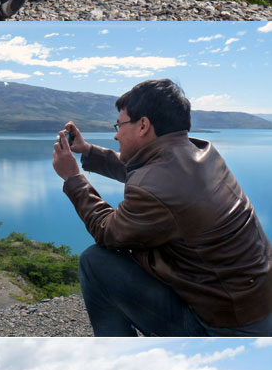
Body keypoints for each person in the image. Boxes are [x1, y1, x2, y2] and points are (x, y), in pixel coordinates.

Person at [52, 78, 272, 337]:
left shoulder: (156, 186)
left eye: (119, 125)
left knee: (95, 261)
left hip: (227, 328)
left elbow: (107, 232)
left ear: (143, 125)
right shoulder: (200, 153)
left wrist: (73, 179)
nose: (115, 134)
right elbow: (149, 175)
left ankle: (118, 358)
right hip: (256, 307)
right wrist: (88, 152)